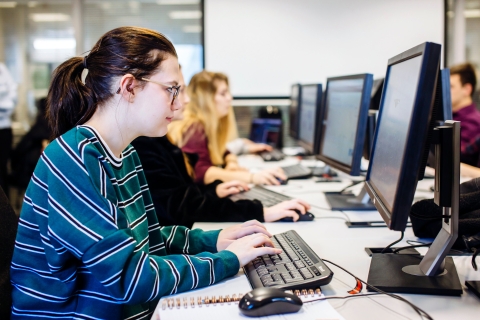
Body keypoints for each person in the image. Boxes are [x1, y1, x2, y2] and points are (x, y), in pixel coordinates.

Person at [9, 27, 281, 319]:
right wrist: (228, 260)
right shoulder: (74, 158)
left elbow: (150, 240)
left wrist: (213, 241)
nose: (179, 105)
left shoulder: (126, 152)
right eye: (171, 89)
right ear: (129, 87)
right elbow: (129, 278)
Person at [132, 69, 310, 228]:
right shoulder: (179, 133)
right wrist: (257, 199)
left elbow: (186, 190)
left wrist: (215, 189)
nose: (184, 100)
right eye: (174, 90)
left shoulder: (160, 140)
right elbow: (193, 186)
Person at [169, 71, 286, 185]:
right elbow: (201, 172)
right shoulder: (194, 129)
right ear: (206, 98)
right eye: (223, 93)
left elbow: (223, 151)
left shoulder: (207, 126)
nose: (229, 98)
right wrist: (252, 177)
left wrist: (231, 163)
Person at [450, 62, 480, 166]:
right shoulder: (452, 116)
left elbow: (452, 155)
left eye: (451, 86)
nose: (445, 90)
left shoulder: (473, 121)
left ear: (467, 89)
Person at [0, 62, 17, 197]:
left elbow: (12, 100)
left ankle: (4, 214)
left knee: (1, 170)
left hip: (3, 129)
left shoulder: (2, 69)